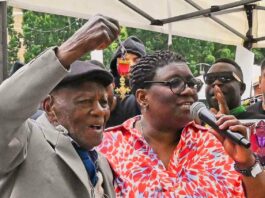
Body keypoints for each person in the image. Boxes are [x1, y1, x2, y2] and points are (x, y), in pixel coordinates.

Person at [98, 50, 265, 197]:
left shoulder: (214, 142)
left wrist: (247, 162)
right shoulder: (108, 147)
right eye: (175, 83)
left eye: (193, 84)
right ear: (143, 97)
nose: (189, 90)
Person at [0, 14, 120, 198]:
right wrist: (70, 49)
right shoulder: (25, 141)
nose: (99, 111)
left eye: (104, 102)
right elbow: (4, 112)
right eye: (84, 101)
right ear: (49, 107)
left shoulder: (101, 163)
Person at [106, 36, 146, 127]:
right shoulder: (106, 86)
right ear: (116, 64)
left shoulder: (150, 88)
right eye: (125, 60)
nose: (131, 64)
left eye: (137, 60)